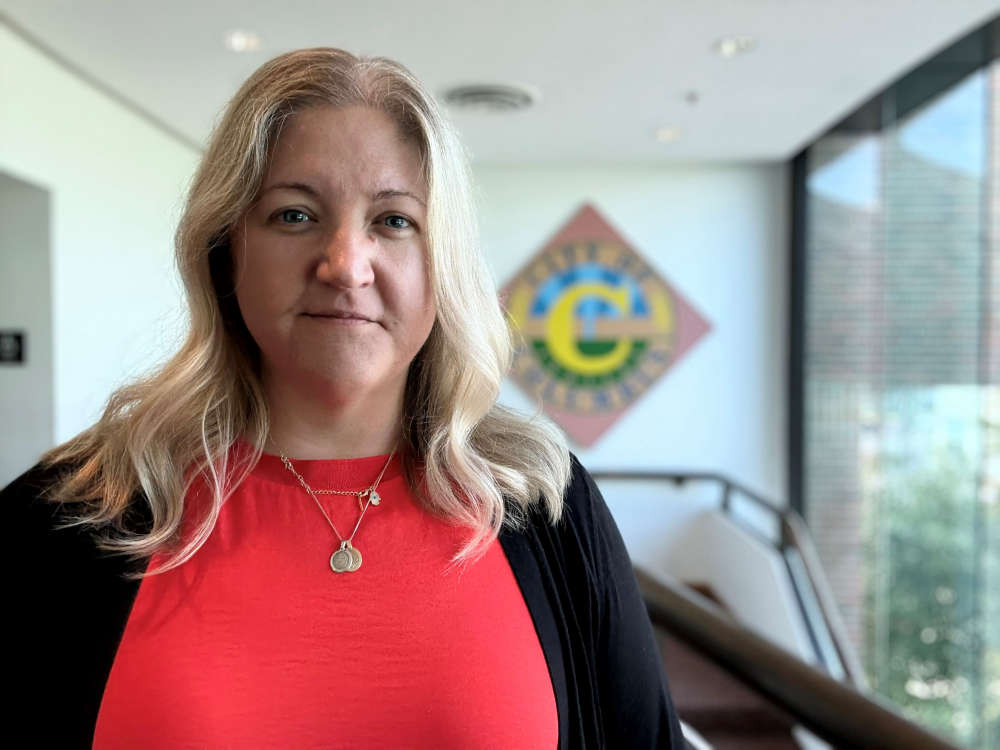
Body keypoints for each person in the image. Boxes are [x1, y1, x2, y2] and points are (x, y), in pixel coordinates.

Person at [7, 48, 686, 748]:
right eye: (294, 215)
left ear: (443, 264)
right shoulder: (77, 513)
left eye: (394, 221)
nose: (345, 266)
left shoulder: (545, 507)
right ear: (226, 250)